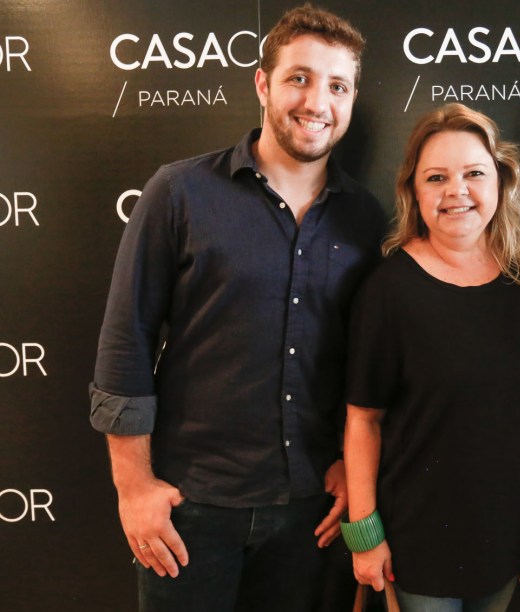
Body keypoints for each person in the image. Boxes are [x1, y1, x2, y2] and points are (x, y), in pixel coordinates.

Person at [89, 5, 386, 611]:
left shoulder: (367, 218)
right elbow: (128, 340)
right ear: (262, 83)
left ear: (352, 97)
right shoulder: (181, 192)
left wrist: (348, 469)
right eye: (299, 78)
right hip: (189, 510)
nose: (317, 102)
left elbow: (370, 361)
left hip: (312, 515)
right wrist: (133, 486)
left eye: (337, 86)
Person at [341, 103, 520, 611]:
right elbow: (362, 422)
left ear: (500, 181)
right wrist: (365, 535)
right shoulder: (388, 290)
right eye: (436, 177)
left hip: (504, 534)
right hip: (417, 539)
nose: (456, 191)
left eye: (474, 173)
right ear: (414, 192)